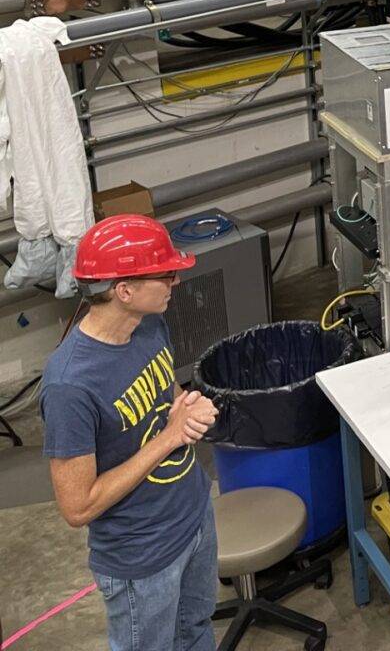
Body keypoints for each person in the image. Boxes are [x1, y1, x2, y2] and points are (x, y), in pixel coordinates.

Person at [40, 214, 220, 651]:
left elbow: (166, 393)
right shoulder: (69, 386)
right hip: (142, 559)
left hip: (193, 515)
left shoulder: (148, 324)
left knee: (196, 631)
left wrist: (187, 407)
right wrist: (170, 437)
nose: (176, 281)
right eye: (167, 274)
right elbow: (78, 506)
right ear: (124, 290)